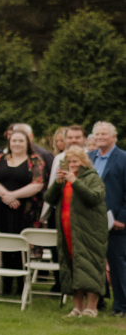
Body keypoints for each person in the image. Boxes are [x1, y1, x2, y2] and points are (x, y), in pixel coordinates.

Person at [44, 145, 109, 317]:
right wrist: (57, 184)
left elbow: (95, 197)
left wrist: (75, 181)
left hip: (89, 231)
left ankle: (91, 308)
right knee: (72, 266)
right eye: (69, 162)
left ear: (83, 162)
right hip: (68, 229)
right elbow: (48, 198)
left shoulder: (92, 177)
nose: (72, 165)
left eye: (75, 161)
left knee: (90, 266)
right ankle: (77, 307)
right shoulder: (64, 178)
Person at [0, 129, 46, 294]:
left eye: (21, 141)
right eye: (14, 141)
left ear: (27, 143)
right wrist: (6, 196)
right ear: (9, 143)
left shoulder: (35, 161)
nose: (17, 144)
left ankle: (21, 286)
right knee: (3, 245)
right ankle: (6, 285)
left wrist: (14, 195)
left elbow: (38, 184)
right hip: (0, 208)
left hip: (24, 211)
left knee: (20, 247)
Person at [90, 122, 126, 316]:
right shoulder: (88, 158)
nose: (100, 137)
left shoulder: (123, 159)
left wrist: (122, 218)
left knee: (117, 264)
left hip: (116, 222)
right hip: (90, 220)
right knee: (93, 263)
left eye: (104, 134)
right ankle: (98, 301)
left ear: (113, 137)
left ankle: (121, 306)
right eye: (97, 134)